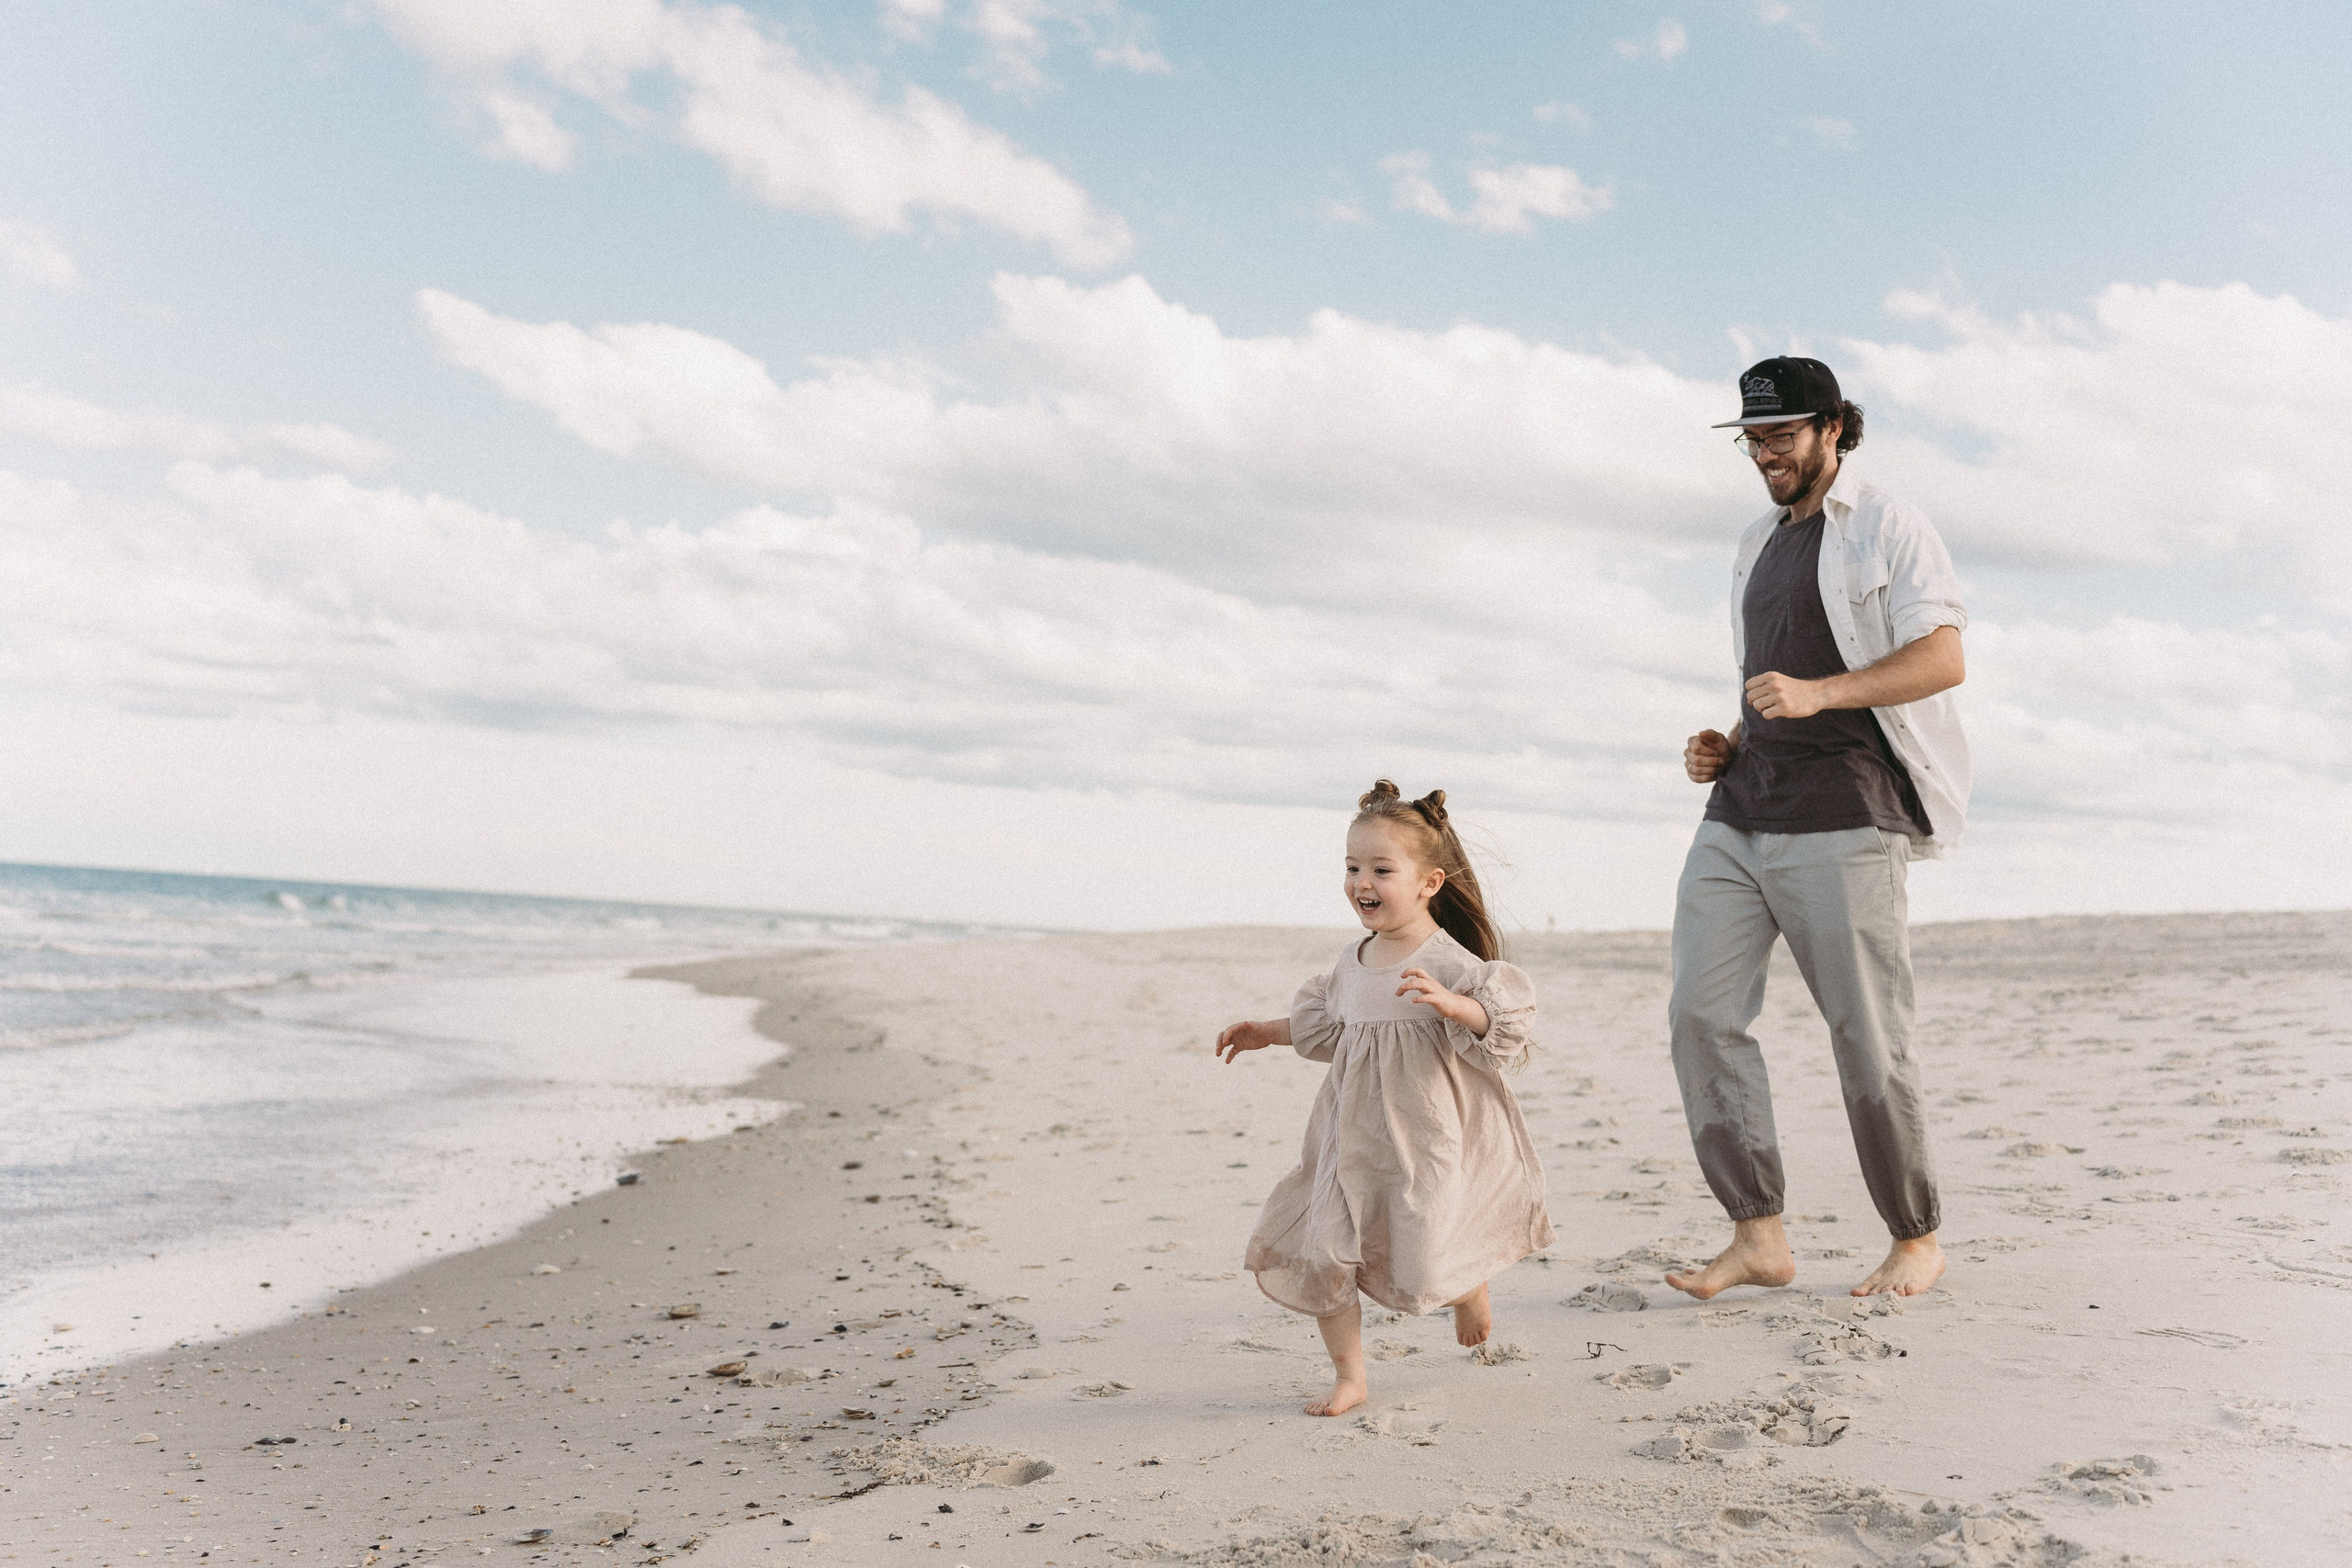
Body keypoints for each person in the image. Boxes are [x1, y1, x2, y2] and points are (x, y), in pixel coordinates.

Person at [1664, 355, 1970, 1303]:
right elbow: (1773, 676)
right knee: (1700, 1017)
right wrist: (1728, 740)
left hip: (1846, 809)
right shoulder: (1756, 541)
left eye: (1781, 436)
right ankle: (1758, 1233)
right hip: (1742, 808)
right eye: (1751, 439)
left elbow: (1943, 657)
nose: (1764, 456)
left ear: (1833, 427)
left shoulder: (1885, 524)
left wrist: (1818, 696)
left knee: (1865, 1037)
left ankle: (1914, 1237)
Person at [1215, 780, 1555, 1416]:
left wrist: (1458, 1005)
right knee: (1325, 1251)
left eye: (1379, 869)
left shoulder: (1448, 960)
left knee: (1426, 1258)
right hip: (1349, 1139)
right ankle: (1351, 1376)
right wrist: (1267, 1032)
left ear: (1429, 882)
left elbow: (1501, 1023)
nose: (1360, 881)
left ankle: (1467, 1282)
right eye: (1352, 866)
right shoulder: (1353, 961)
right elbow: (1328, 1026)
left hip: (1423, 1137)